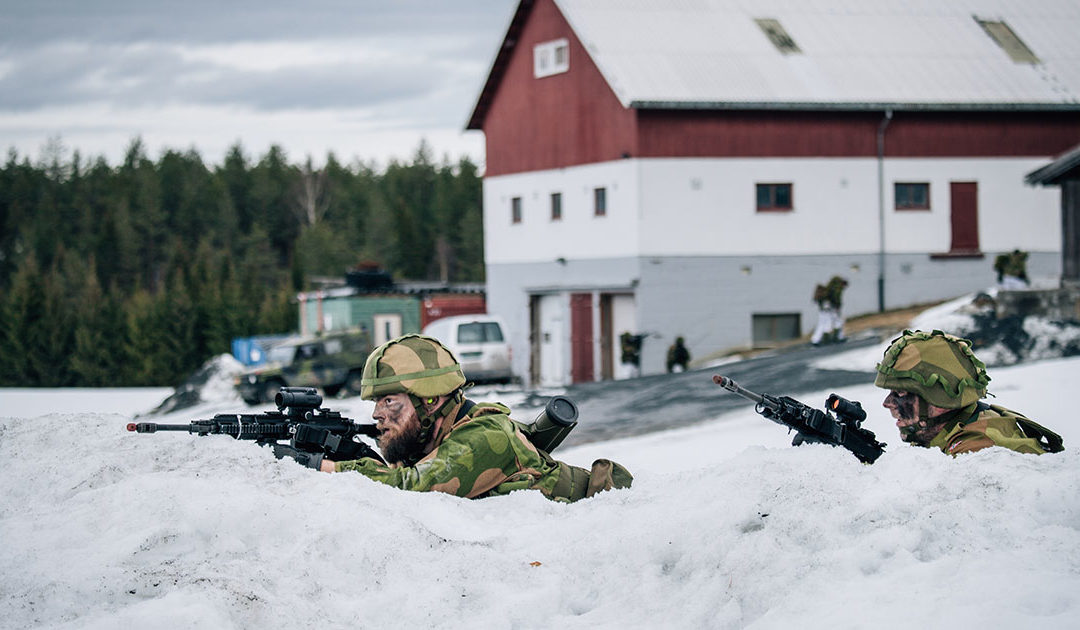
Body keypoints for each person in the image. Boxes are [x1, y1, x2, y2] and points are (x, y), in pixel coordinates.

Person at [275, 334, 633, 502]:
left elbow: (411, 490)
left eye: (389, 401)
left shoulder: (484, 436)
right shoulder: (434, 439)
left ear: (430, 400)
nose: (376, 414)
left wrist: (323, 467)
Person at [874, 329, 1063, 455]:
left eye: (899, 394)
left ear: (939, 401)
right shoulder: (958, 426)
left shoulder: (976, 453)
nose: (887, 403)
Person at [811, 276, 848, 345]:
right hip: (830, 308)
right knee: (834, 322)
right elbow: (836, 299)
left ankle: (820, 340)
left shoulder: (830, 288)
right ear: (843, 284)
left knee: (825, 323)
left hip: (825, 308)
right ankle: (835, 338)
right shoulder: (837, 289)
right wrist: (837, 307)